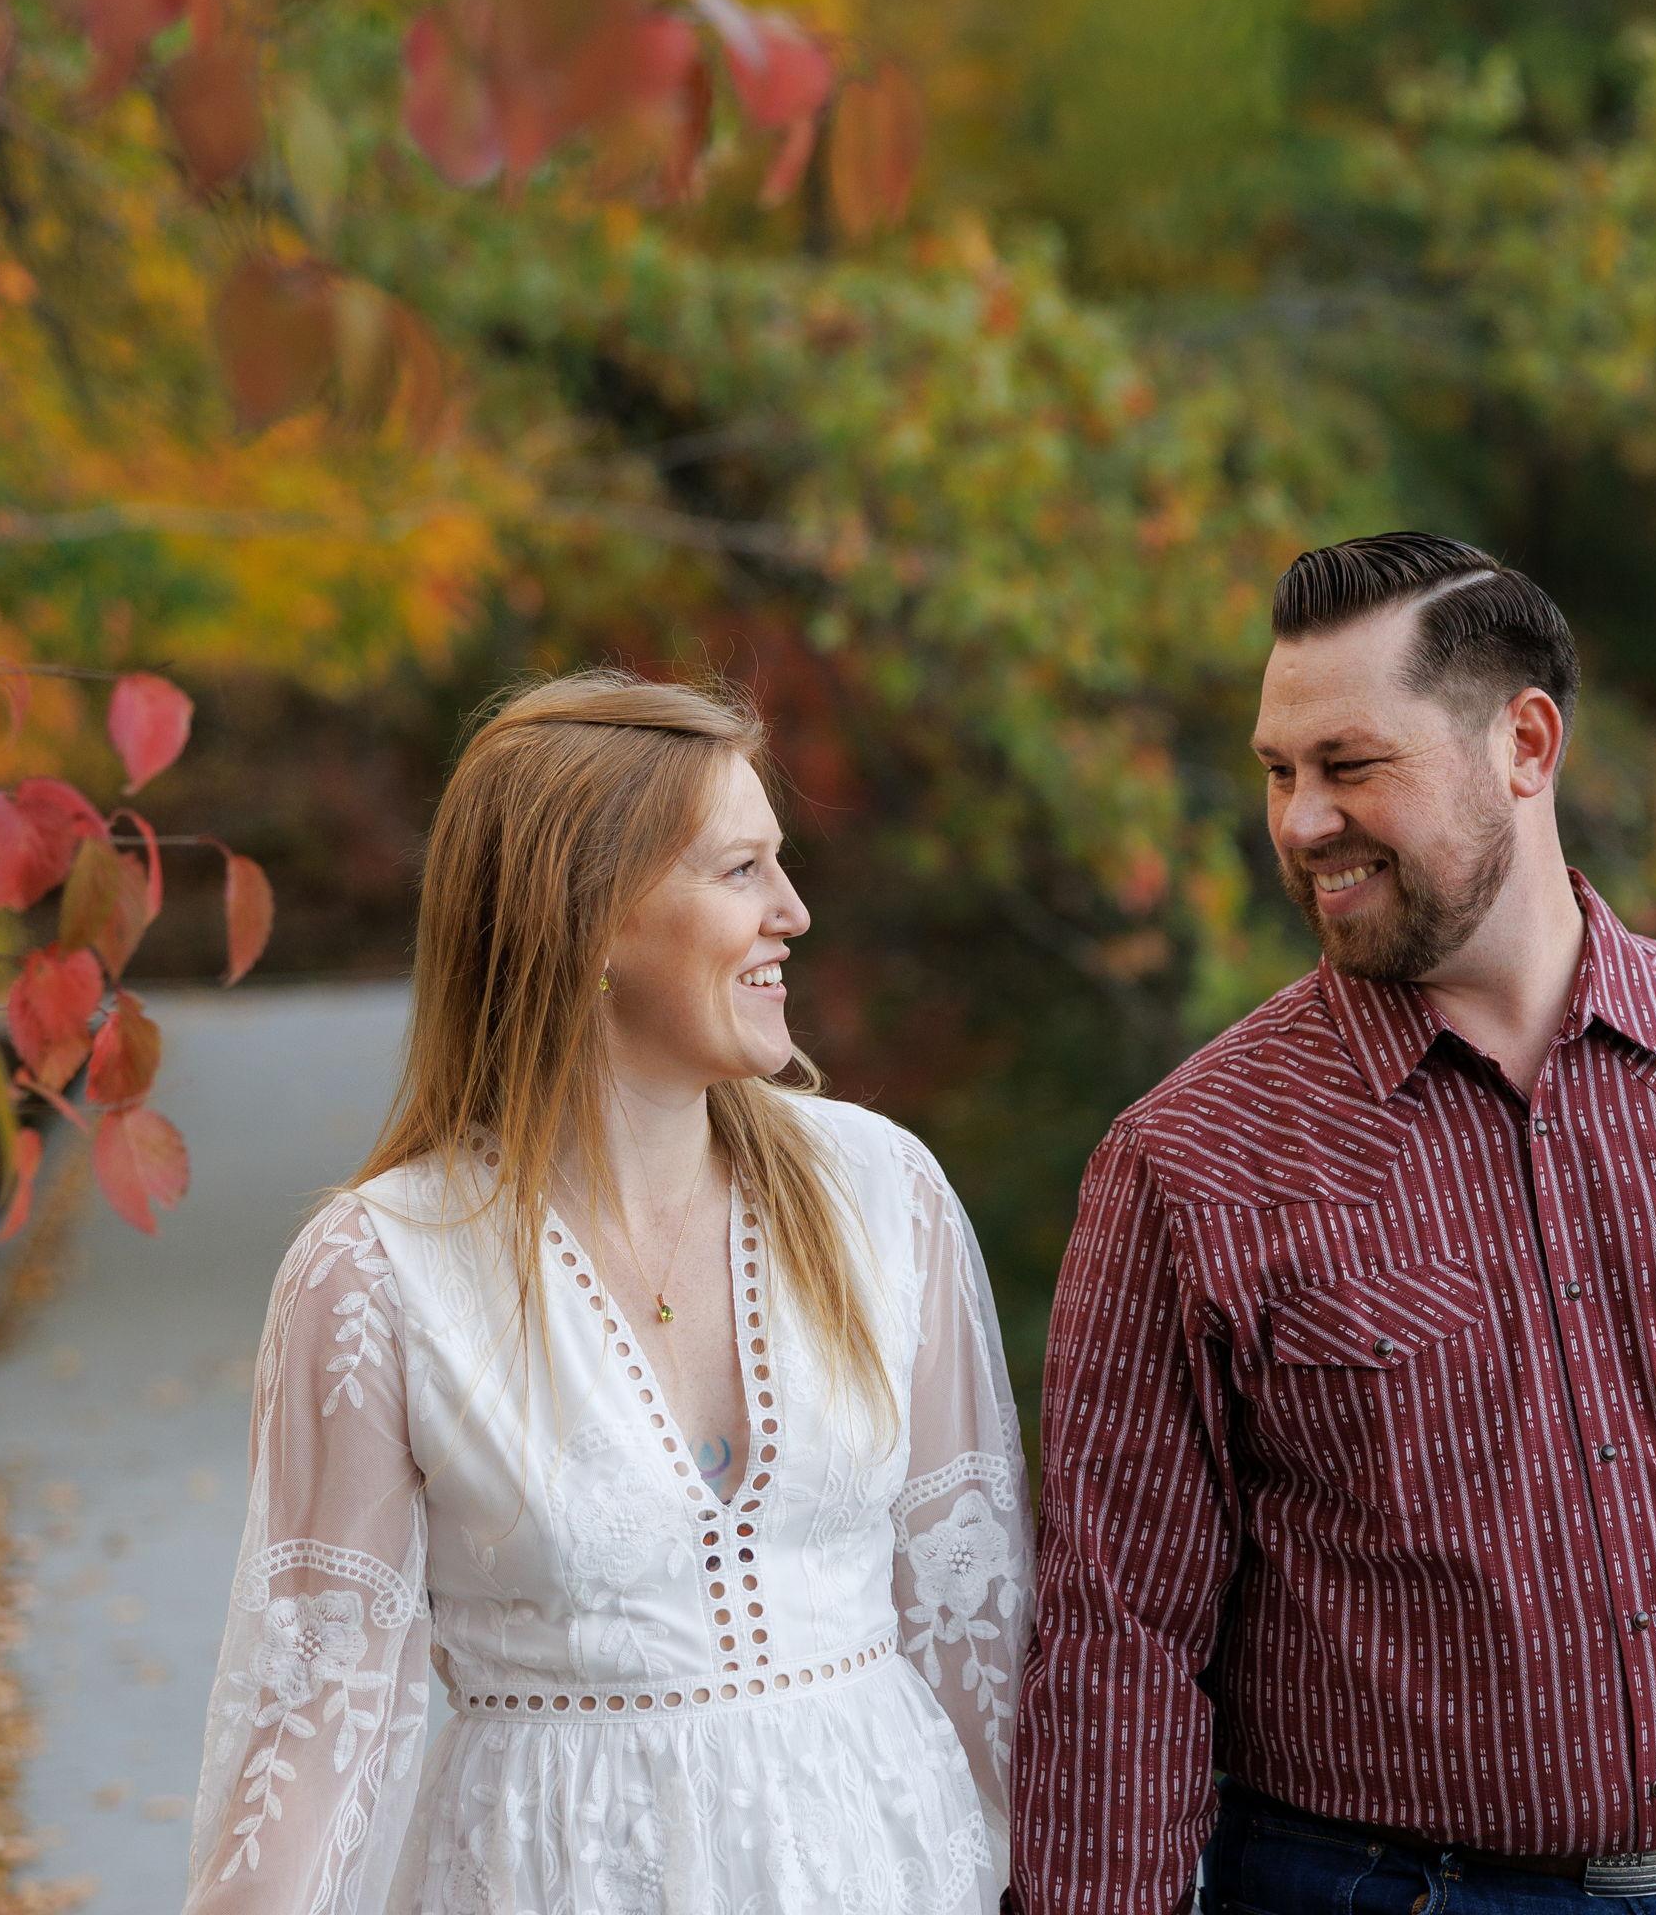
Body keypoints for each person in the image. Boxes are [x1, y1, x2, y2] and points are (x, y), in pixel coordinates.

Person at [1007, 532, 1656, 1914]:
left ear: (1525, 744)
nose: (1299, 821)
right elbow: (1120, 1639)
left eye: (1350, 765)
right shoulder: (1190, 1163)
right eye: (1278, 771)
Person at [184, 669, 1031, 1915]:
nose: (792, 911)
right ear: (587, 916)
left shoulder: (880, 1193)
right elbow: (318, 1729)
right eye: (740, 869)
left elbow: (976, 1634)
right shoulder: (379, 1267)